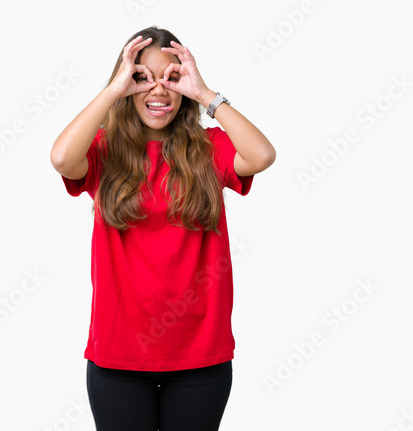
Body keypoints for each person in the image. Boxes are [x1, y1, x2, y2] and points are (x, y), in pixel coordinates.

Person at [50, 26, 275, 431]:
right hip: (118, 356)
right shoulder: (103, 149)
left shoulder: (209, 149)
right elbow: (63, 158)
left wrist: (206, 94)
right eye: (142, 78)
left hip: (199, 356)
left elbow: (261, 155)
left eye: (172, 78)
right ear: (126, 83)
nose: (159, 91)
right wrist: (111, 92)